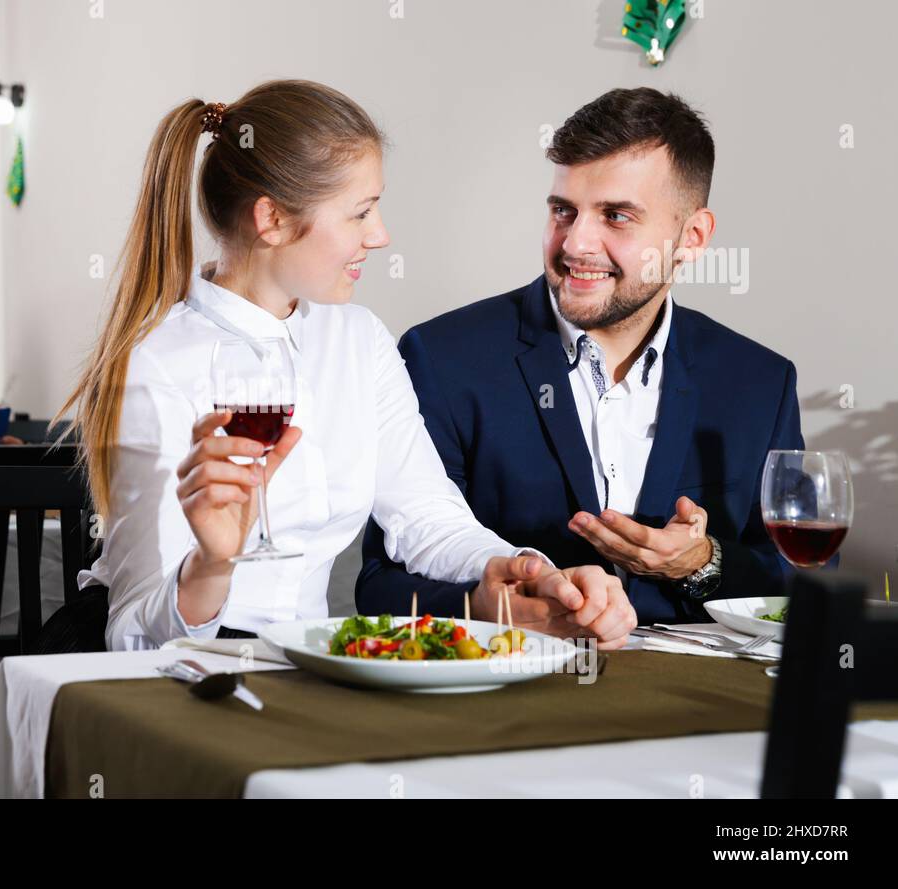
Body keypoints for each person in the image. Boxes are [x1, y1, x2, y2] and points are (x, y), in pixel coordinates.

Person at [58, 80, 636, 652]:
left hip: (299, 658)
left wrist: (529, 571)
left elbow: (426, 515)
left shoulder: (359, 340)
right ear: (272, 220)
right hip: (167, 669)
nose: (380, 236)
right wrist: (213, 564)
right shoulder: (157, 361)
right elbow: (130, 635)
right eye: (360, 213)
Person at [359, 88, 801, 626]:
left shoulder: (759, 381)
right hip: (508, 693)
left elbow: (802, 582)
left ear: (692, 237)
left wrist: (702, 563)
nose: (576, 244)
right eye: (563, 211)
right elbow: (381, 587)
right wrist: (505, 609)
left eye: (615, 216)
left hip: (700, 703)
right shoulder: (442, 358)